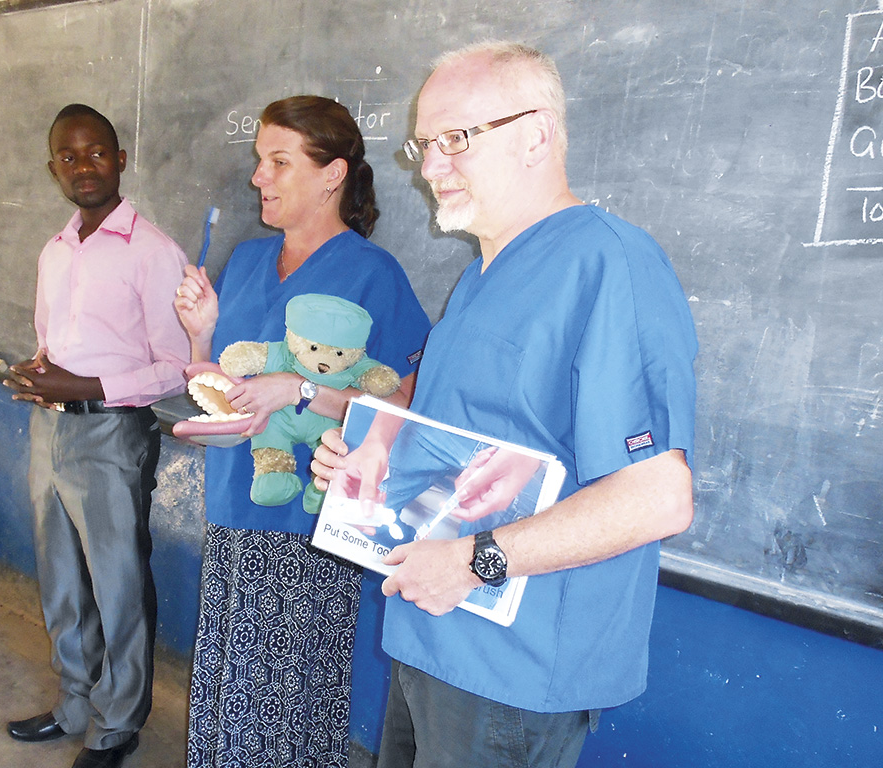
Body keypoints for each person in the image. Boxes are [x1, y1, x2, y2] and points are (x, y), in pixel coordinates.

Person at [311, 41, 699, 768]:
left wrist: (477, 560)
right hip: (431, 624)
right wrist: (369, 442)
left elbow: (658, 500)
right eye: (423, 146)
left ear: (536, 135)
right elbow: (443, 411)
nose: (429, 169)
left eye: (455, 140)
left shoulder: (609, 264)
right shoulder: (482, 275)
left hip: (511, 669)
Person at [173, 95, 431, 768]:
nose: (260, 177)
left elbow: (405, 404)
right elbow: (226, 380)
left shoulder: (373, 274)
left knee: (288, 709)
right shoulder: (250, 259)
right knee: (231, 698)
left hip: (311, 530)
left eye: (278, 162)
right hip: (235, 507)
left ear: (331, 175)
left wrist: (305, 391)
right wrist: (201, 332)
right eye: (260, 161)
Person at [3, 104, 190, 768]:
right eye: (69, 156)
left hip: (112, 436)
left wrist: (83, 389)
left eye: (96, 153)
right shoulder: (55, 250)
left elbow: (177, 366)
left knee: (116, 582)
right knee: (60, 577)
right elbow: (54, 341)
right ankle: (74, 701)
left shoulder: (153, 250)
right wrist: (38, 373)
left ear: (120, 160)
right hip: (48, 431)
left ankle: (118, 721)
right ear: (53, 167)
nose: (84, 166)